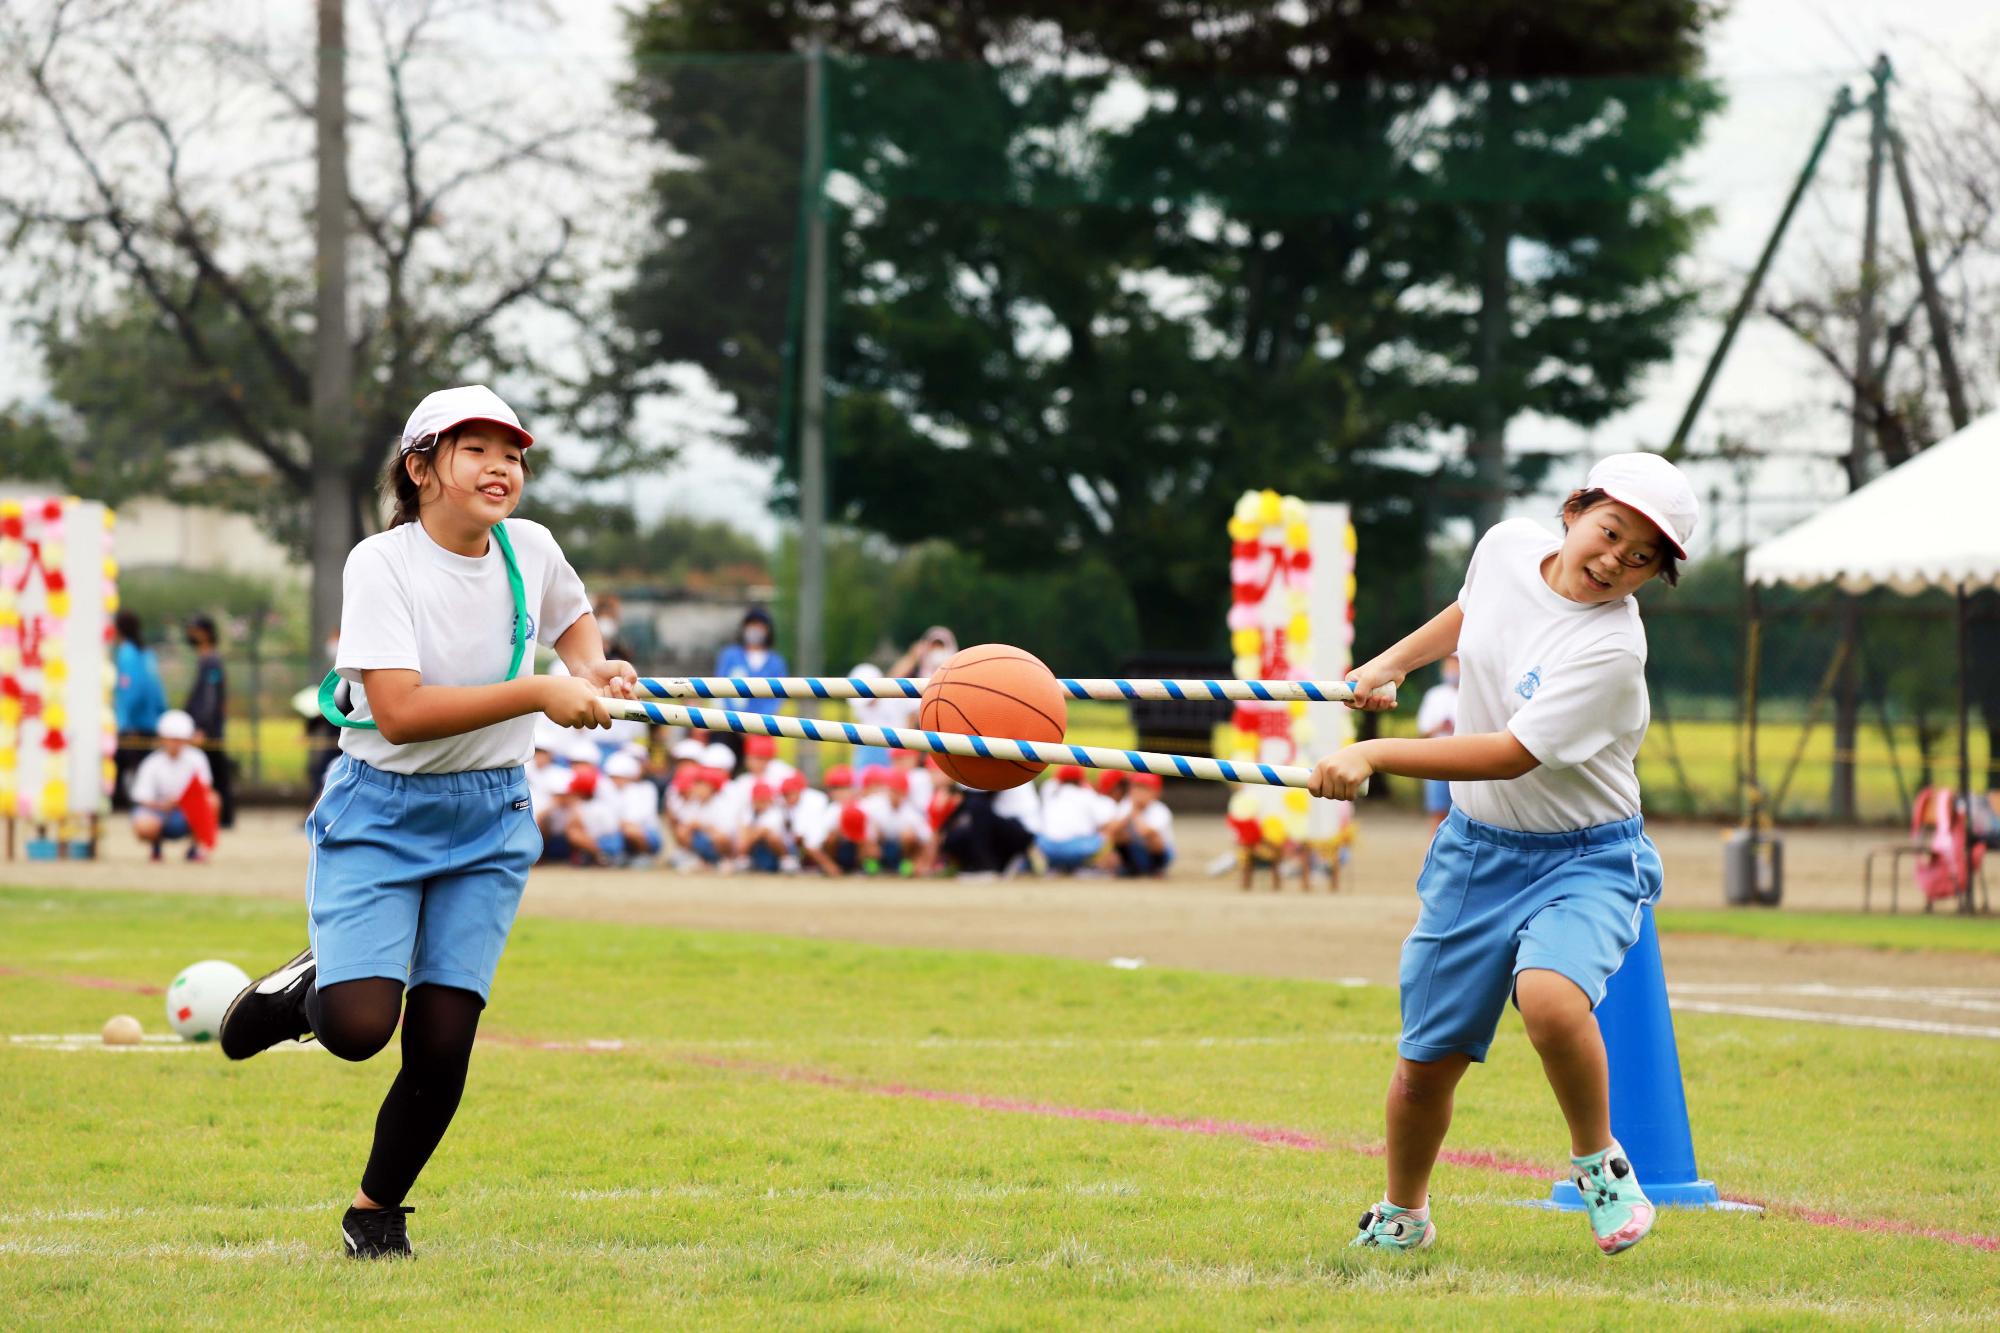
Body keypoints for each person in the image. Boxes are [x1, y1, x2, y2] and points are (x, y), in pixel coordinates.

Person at [214, 383, 636, 1261]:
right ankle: (307, 988)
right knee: (363, 1027)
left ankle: (375, 1213)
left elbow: (572, 624)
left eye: (512, 453)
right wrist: (542, 692)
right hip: (382, 808)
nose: (501, 467)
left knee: (443, 1039)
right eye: (475, 449)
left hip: (492, 814)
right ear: (421, 468)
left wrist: (596, 669)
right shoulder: (381, 563)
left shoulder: (532, 548)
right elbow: (399, 711)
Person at [1310, 453, 1695, 1258]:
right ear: (1575, 509)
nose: (1613, 560)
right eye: (1610, 531)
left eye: (1640, 559)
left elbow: (1512, 753)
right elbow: (1468, 612)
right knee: (1424, 1064)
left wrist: (1375, 754)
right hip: (1476, 854)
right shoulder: (1505, 546)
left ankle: (1599, 1163)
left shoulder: (1612, 650)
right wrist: (1392, 662)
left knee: (1551, 1001)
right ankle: (1403, 1212)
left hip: (1587, 858)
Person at [129, 709, 213, 861]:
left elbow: (205, 790)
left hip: (187, 811)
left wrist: (183, 802)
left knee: (213, 802)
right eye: (172, 739)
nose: (175, 744)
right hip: (160, 812)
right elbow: (141, 796)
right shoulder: (152, 762)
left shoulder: (197, 759)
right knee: (144, 824)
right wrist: (163, 805)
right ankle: (156, 846)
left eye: (179, 739)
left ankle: (196, 848)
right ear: (163, 738)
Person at [711, 607, 788, 762]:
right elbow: (720, 687)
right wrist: (738, 722)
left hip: (762, 727)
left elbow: (777, 698)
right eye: (751, 625)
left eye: (760, 626)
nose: (755, 630)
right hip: (729, 724)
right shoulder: (730, 655)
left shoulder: (776, 661)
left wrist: (756, 724)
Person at [182, 613, 234, 829]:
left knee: (216, 772)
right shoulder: (205, 659)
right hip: (206, 728)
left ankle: (224, 817)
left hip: (209, 731)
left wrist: (202, 727)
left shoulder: (211, 660)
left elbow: (210, 697)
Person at [111, 610, 167, 811]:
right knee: (141, 763)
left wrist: (126, 722)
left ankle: (129, 802)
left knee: (128, 764)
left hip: (133, 723)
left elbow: (130, 690)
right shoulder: (146, 653)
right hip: (149, 720)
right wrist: (160, 714)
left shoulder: (127, 653)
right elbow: (156, 689)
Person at [1036, 765, 1109, 874]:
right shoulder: (1087, 794)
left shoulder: (1048, 789)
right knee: (1106, 834)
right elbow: (1104, 822)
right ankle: (1091, 867)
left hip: (1047, 847)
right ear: (1080, 780)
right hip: (1077, 849)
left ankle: (1048, 867)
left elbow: (1052, 783)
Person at [1417, 655, 1461, 829]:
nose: (1452, 671)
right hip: (1436, 760)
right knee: (1438, 813)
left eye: (1456, 666)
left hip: (1464, 760)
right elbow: (1423, 730)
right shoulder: (1434, 695)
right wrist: (1440, 726)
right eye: (1449, 666)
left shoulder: (1471, 695)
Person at [1108, 772, 1174, 877]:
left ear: (1156, 793)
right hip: (1136, 851)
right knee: (1118, 834)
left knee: (1154, 838)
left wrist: (1135, 812)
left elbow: (1145, 832)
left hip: (1158, 854)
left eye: (1144, 789)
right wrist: (1129, 814)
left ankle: (1157, 868)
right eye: (1136, 788)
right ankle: (1129, 866)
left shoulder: (1159, 809)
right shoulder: (1126, 804)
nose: (1139, 793)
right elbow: (1111, 830)